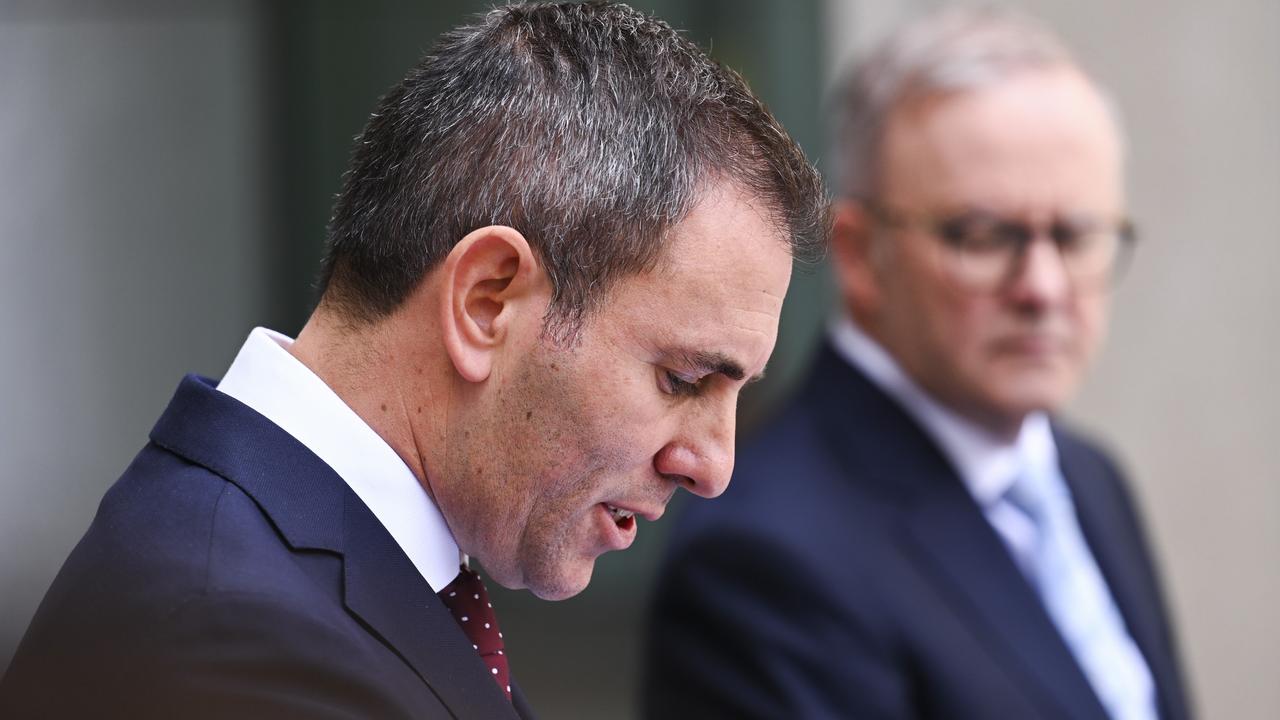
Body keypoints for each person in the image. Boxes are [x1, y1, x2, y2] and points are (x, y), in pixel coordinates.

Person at [0, 2, 826, 718]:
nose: (713, 467)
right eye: (683, 379)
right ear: (485, 302)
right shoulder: (230, 636)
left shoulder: (286, 581)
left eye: (737, 391)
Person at [644, 7, 1191, 720]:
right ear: (861, 255)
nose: (1043, 288)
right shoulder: (766, 557)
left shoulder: (1088, 478)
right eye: (984, 234)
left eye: (1076, 233)